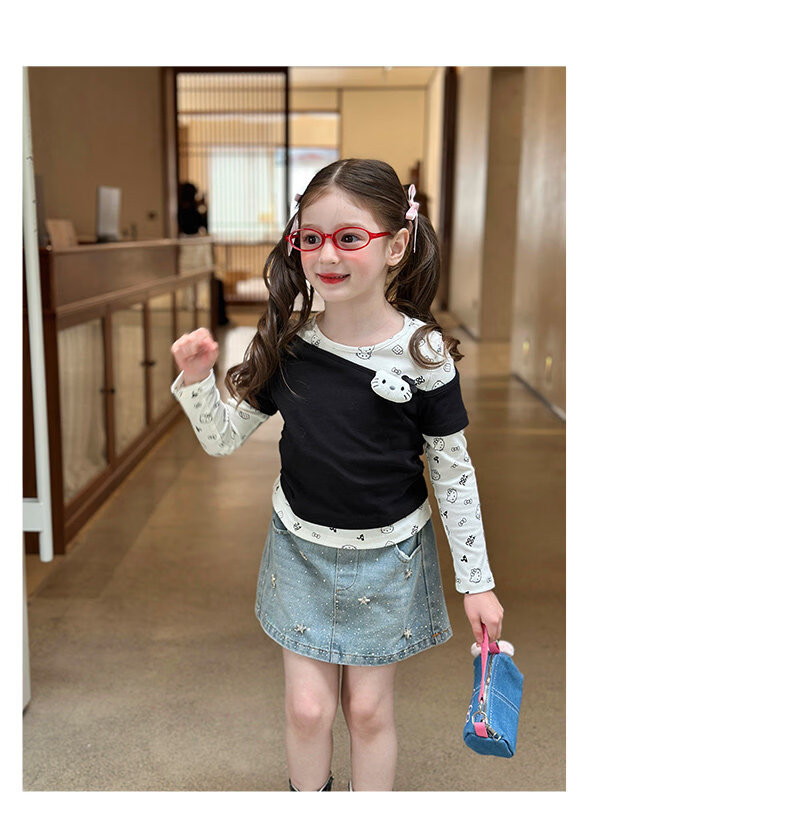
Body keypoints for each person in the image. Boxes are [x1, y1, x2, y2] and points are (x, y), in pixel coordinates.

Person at [169, 158, 504, 792]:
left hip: (390, 556)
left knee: (369, 711)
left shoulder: (424, 354)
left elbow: (454, 475)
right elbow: (221, 439)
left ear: (395, 245)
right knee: (307, 709)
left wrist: (477, 582)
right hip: (300, 550)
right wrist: (196, 380)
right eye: (312, 237)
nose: (327, 255)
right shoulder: (289, 346)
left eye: (350, 237)